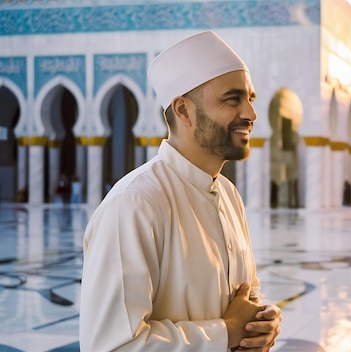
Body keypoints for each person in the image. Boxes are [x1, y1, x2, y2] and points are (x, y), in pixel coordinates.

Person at [79, 30, 282, 351]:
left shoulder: (228, 195)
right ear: (183, 110)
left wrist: (261, 322)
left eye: (251, 99)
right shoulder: (135, 203)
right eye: (233, 99)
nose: (251, 114)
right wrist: (225, 333)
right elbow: (111, 345)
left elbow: (245, 296)